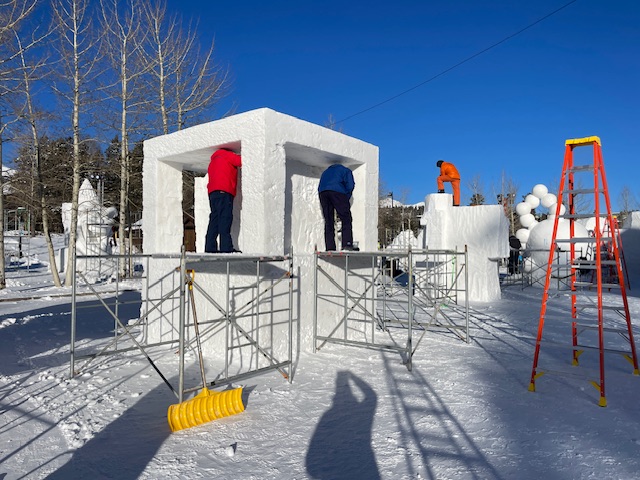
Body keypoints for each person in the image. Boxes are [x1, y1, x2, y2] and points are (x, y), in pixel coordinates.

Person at [205, 147, 242, 253]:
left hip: (212, 193)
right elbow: (242, 161)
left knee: (214, 219)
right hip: (224, 191)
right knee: (225, 219)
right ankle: (226, 248)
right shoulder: (227, 155)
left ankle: (210, 248)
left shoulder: (212, 162)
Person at [318, 163, 359, 251]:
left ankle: (330, 247)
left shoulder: (325, 172)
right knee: (346, 218)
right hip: (337, 192)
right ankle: (347, 244)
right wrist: (346, 198)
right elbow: (350, 186)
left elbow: (320, 186)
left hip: (323, 193)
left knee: (328, 220)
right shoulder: (346, 171)